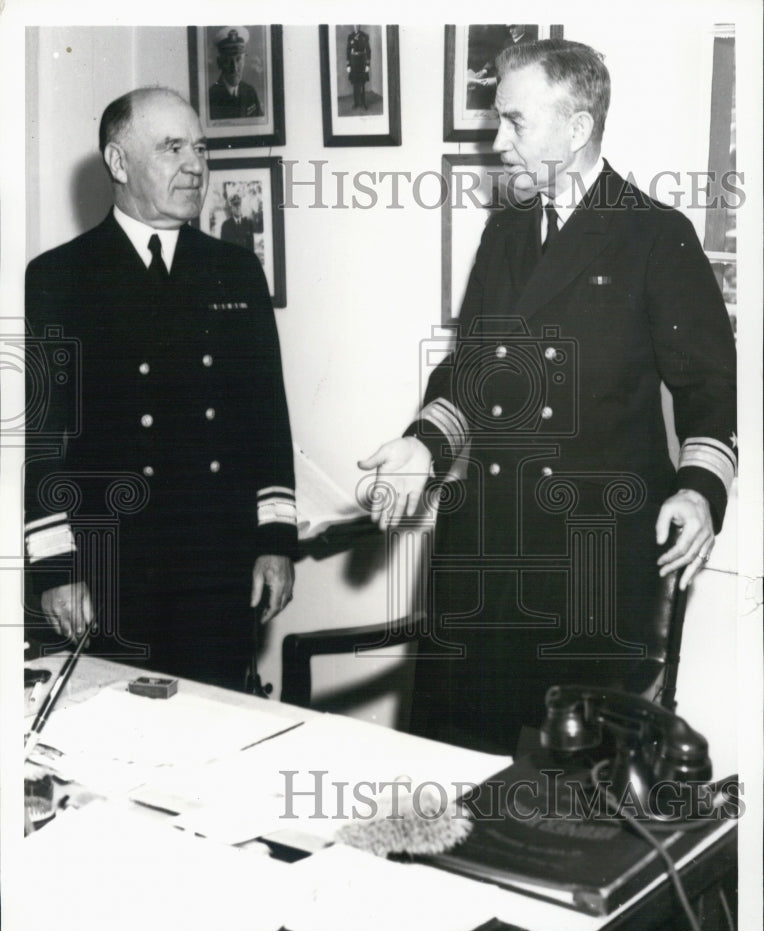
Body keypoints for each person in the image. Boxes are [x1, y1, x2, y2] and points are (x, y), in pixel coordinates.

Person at [359, 39, 737, 754]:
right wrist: (422, 446)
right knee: (450, 772)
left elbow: (712, 387)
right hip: (484, 554)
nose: (498, 144)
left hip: (591, 564)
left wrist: (697, 491)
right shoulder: (504, 232)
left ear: (578, 126)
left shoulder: (655, 235)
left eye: (515, 123)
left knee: (576, 797)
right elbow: (469, 371)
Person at [25, 87, 297, 690]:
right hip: (109, 570)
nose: (196, 165)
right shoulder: (59, 278)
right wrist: (55, 568)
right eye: (172, 148)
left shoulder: (234, 270)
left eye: (200, 147)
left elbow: (266, 418)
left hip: (217, 568)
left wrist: (275, 540)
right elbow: (40, 442)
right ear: (118, 163)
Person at [208, 26, 263, 120]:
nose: (234, 67)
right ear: (219, 62)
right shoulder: (211, 97)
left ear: (244, 60)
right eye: (228, 60)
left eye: (238, 59)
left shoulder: (250, 92)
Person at [346, 26, 371, 110]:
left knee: (362, 83)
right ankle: (356, 102)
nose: (356, 26)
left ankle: (363, 103)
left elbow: (368, 50)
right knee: (355, 83)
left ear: (359, 26)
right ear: (353, 25)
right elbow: (348, 51)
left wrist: (367, 64)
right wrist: (348, 65)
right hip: (353, 62)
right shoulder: (350, 37)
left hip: (361, 61)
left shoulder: (364, 36)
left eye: (357, 25)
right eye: (354, 25)